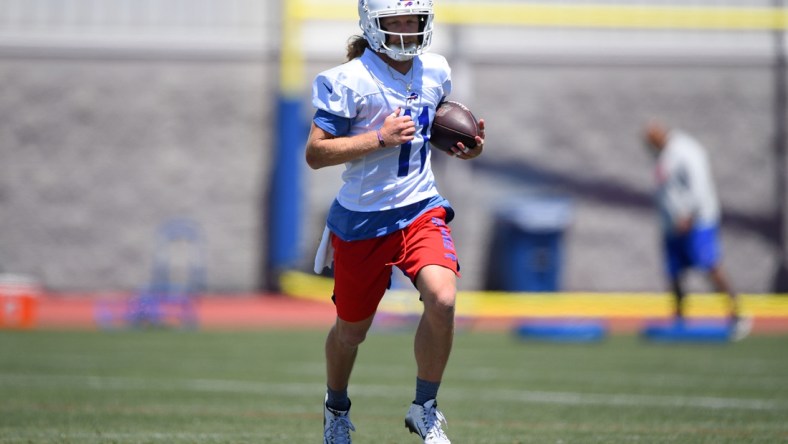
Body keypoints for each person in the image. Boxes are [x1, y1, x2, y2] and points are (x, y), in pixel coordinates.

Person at [306, 1, 484, 442]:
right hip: (362, 219)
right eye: (396, 21)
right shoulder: (345, 80)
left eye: (413, 21)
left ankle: (425, 407)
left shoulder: (436, 69)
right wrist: (377, 138)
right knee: (351, 331)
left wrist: (467, 147)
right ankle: (336, 408)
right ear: (372, 24)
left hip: (420, 208)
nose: (406, 30)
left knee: (443, 300)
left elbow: (428, 134)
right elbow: (315, 153)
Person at [642, 121, 749, 338]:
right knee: (674, 272)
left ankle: (737, 313)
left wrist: (689, 215)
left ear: (661, 134)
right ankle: (679, 319)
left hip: (697, 221)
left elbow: (699, 184)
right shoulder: (661, 155)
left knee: (709, 263)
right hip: (672, 224)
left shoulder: (686, 151)